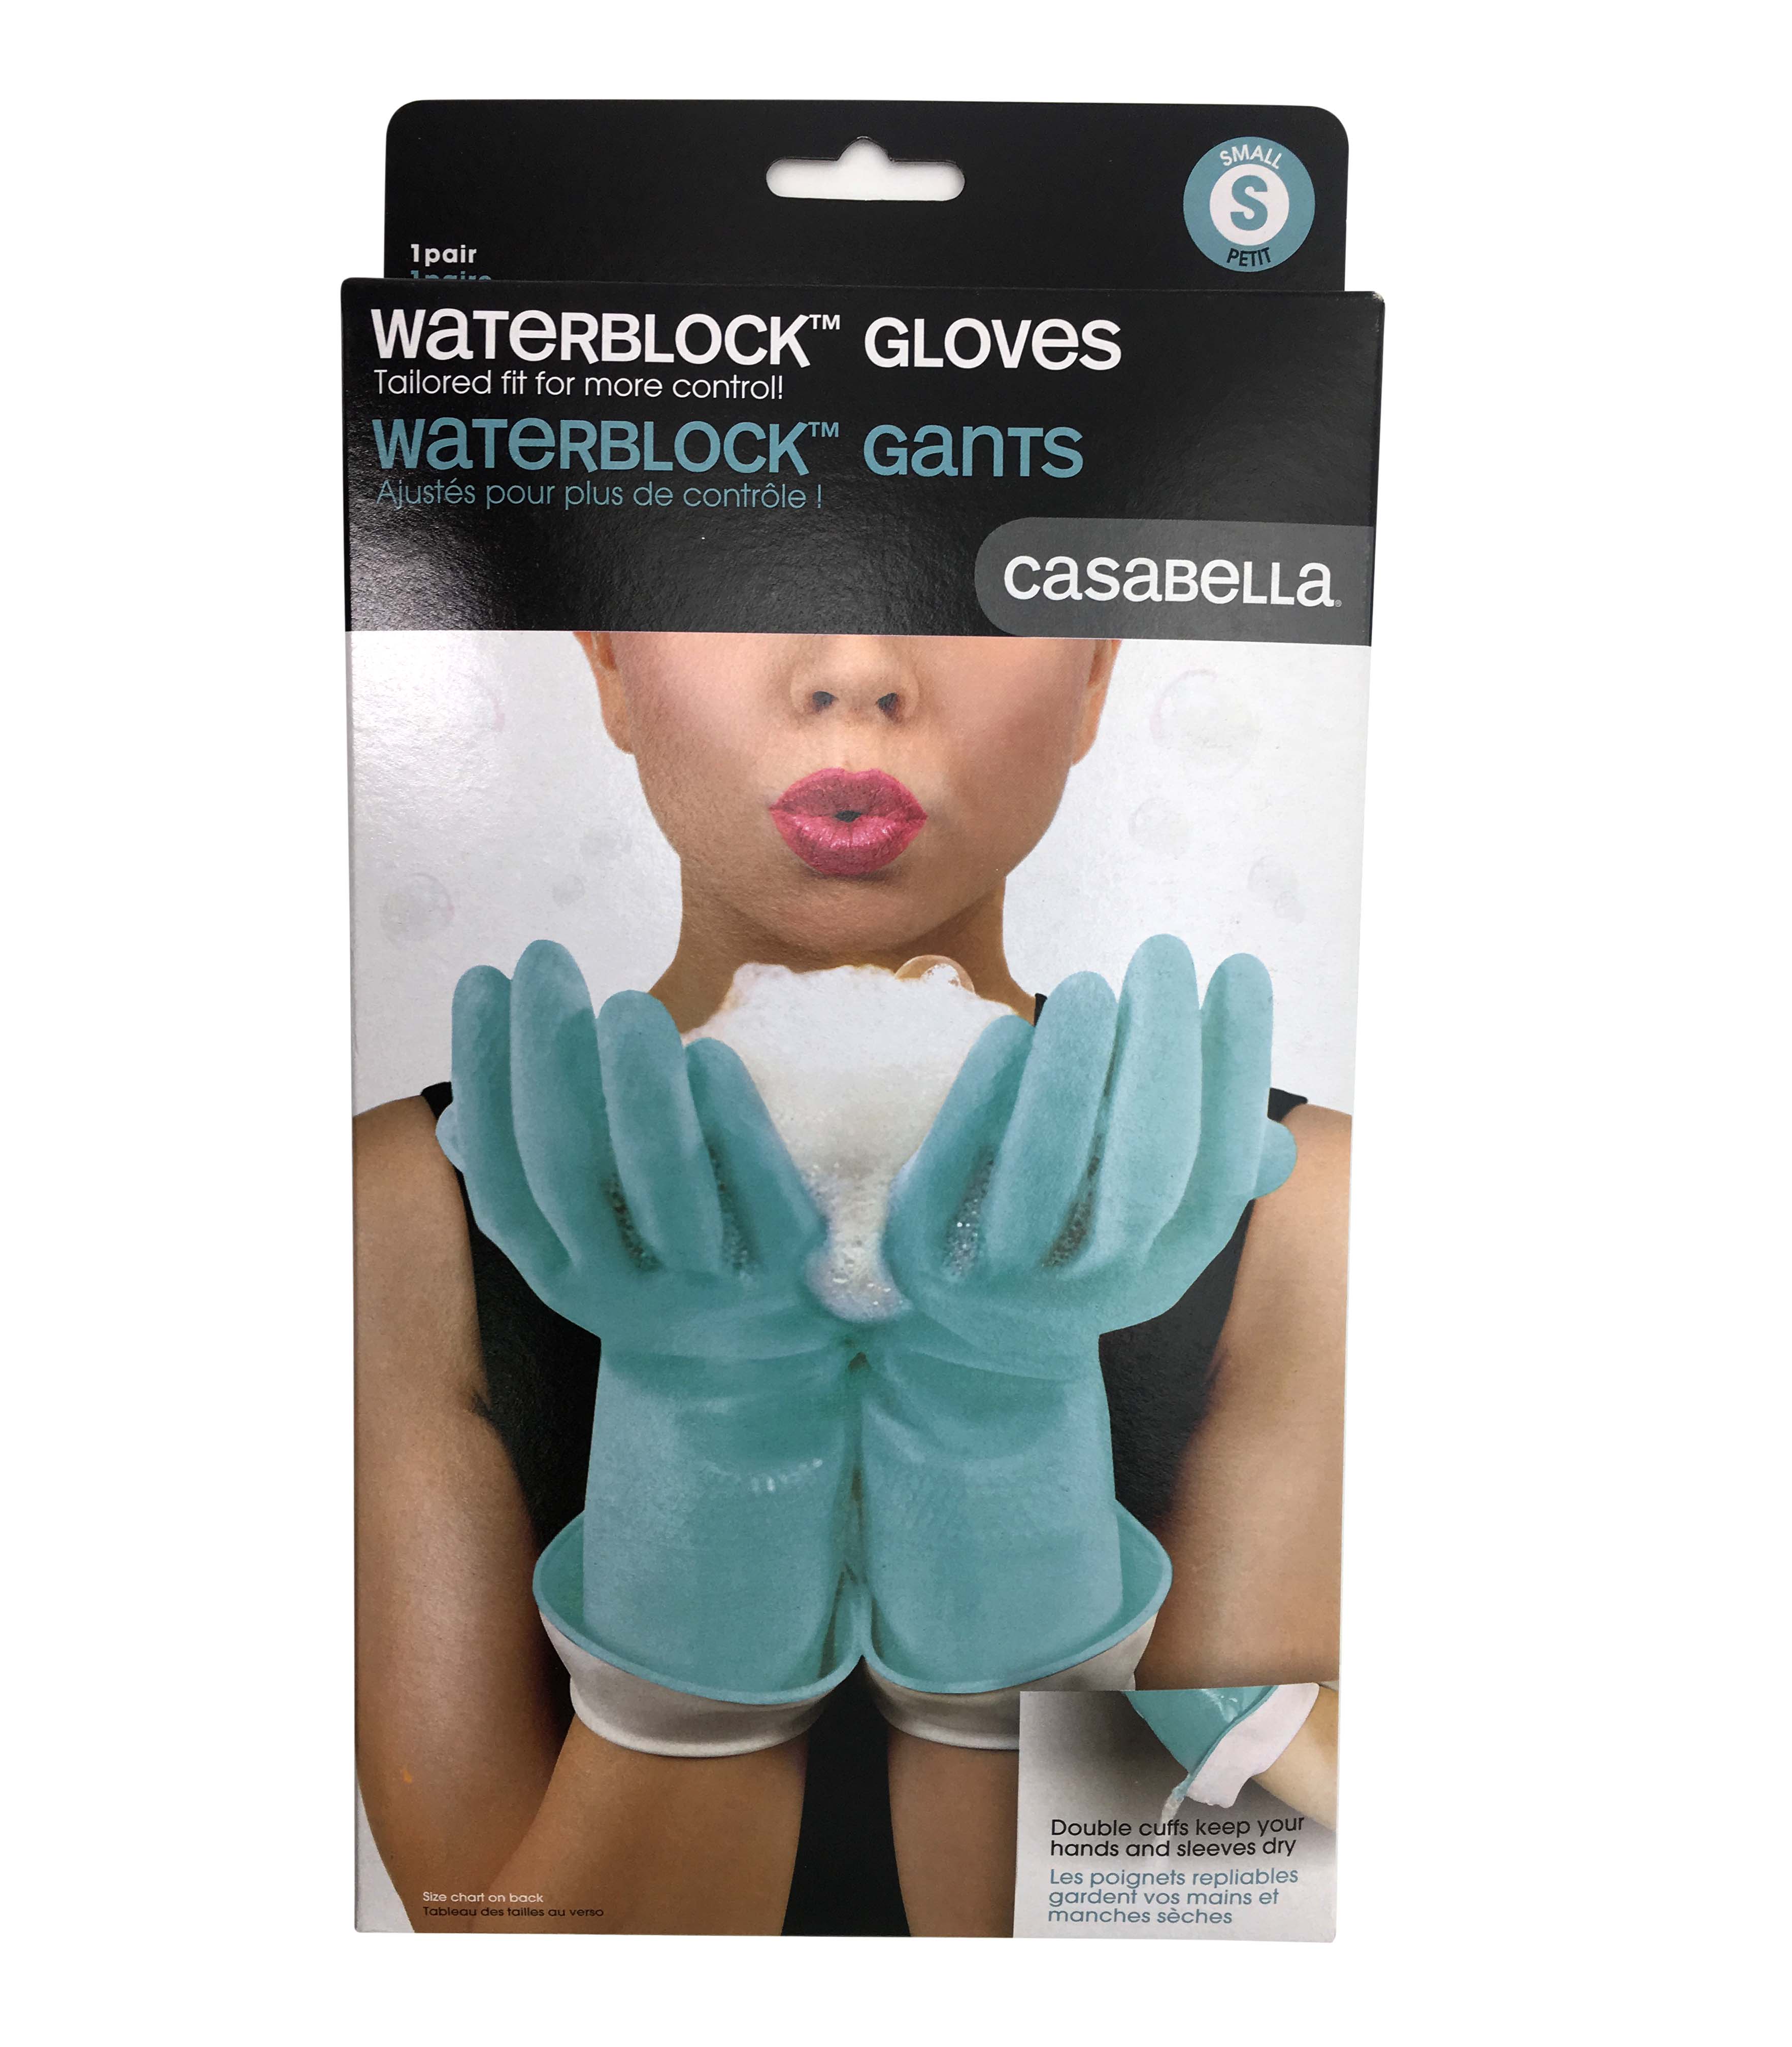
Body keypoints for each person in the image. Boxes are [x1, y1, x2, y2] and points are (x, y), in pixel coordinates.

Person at [354, 632, 1347, 1934]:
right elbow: (506, 1982)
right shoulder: (408, 1204)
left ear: (1094, 674)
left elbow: (1200, 1943)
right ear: (608, 660)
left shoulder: (1299, 1207)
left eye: (967, 599)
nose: (858, 671)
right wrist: (713, 1441)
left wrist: (997, 1437)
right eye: (742, 582)